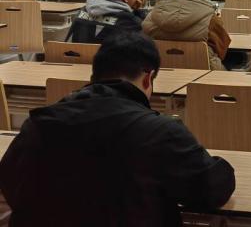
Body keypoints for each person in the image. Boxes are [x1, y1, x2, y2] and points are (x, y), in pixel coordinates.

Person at [0, 32, 235, 226]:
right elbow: (212, 190)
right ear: (148, 78)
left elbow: (9, 183)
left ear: (94, 75)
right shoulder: (161, 132)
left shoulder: (38, 124)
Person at [143, 0, 230, 70]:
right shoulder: (211, 19)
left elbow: (145, 45)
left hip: (160, 75)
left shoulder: (151, 17)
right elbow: (222, 51)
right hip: (206, 75)